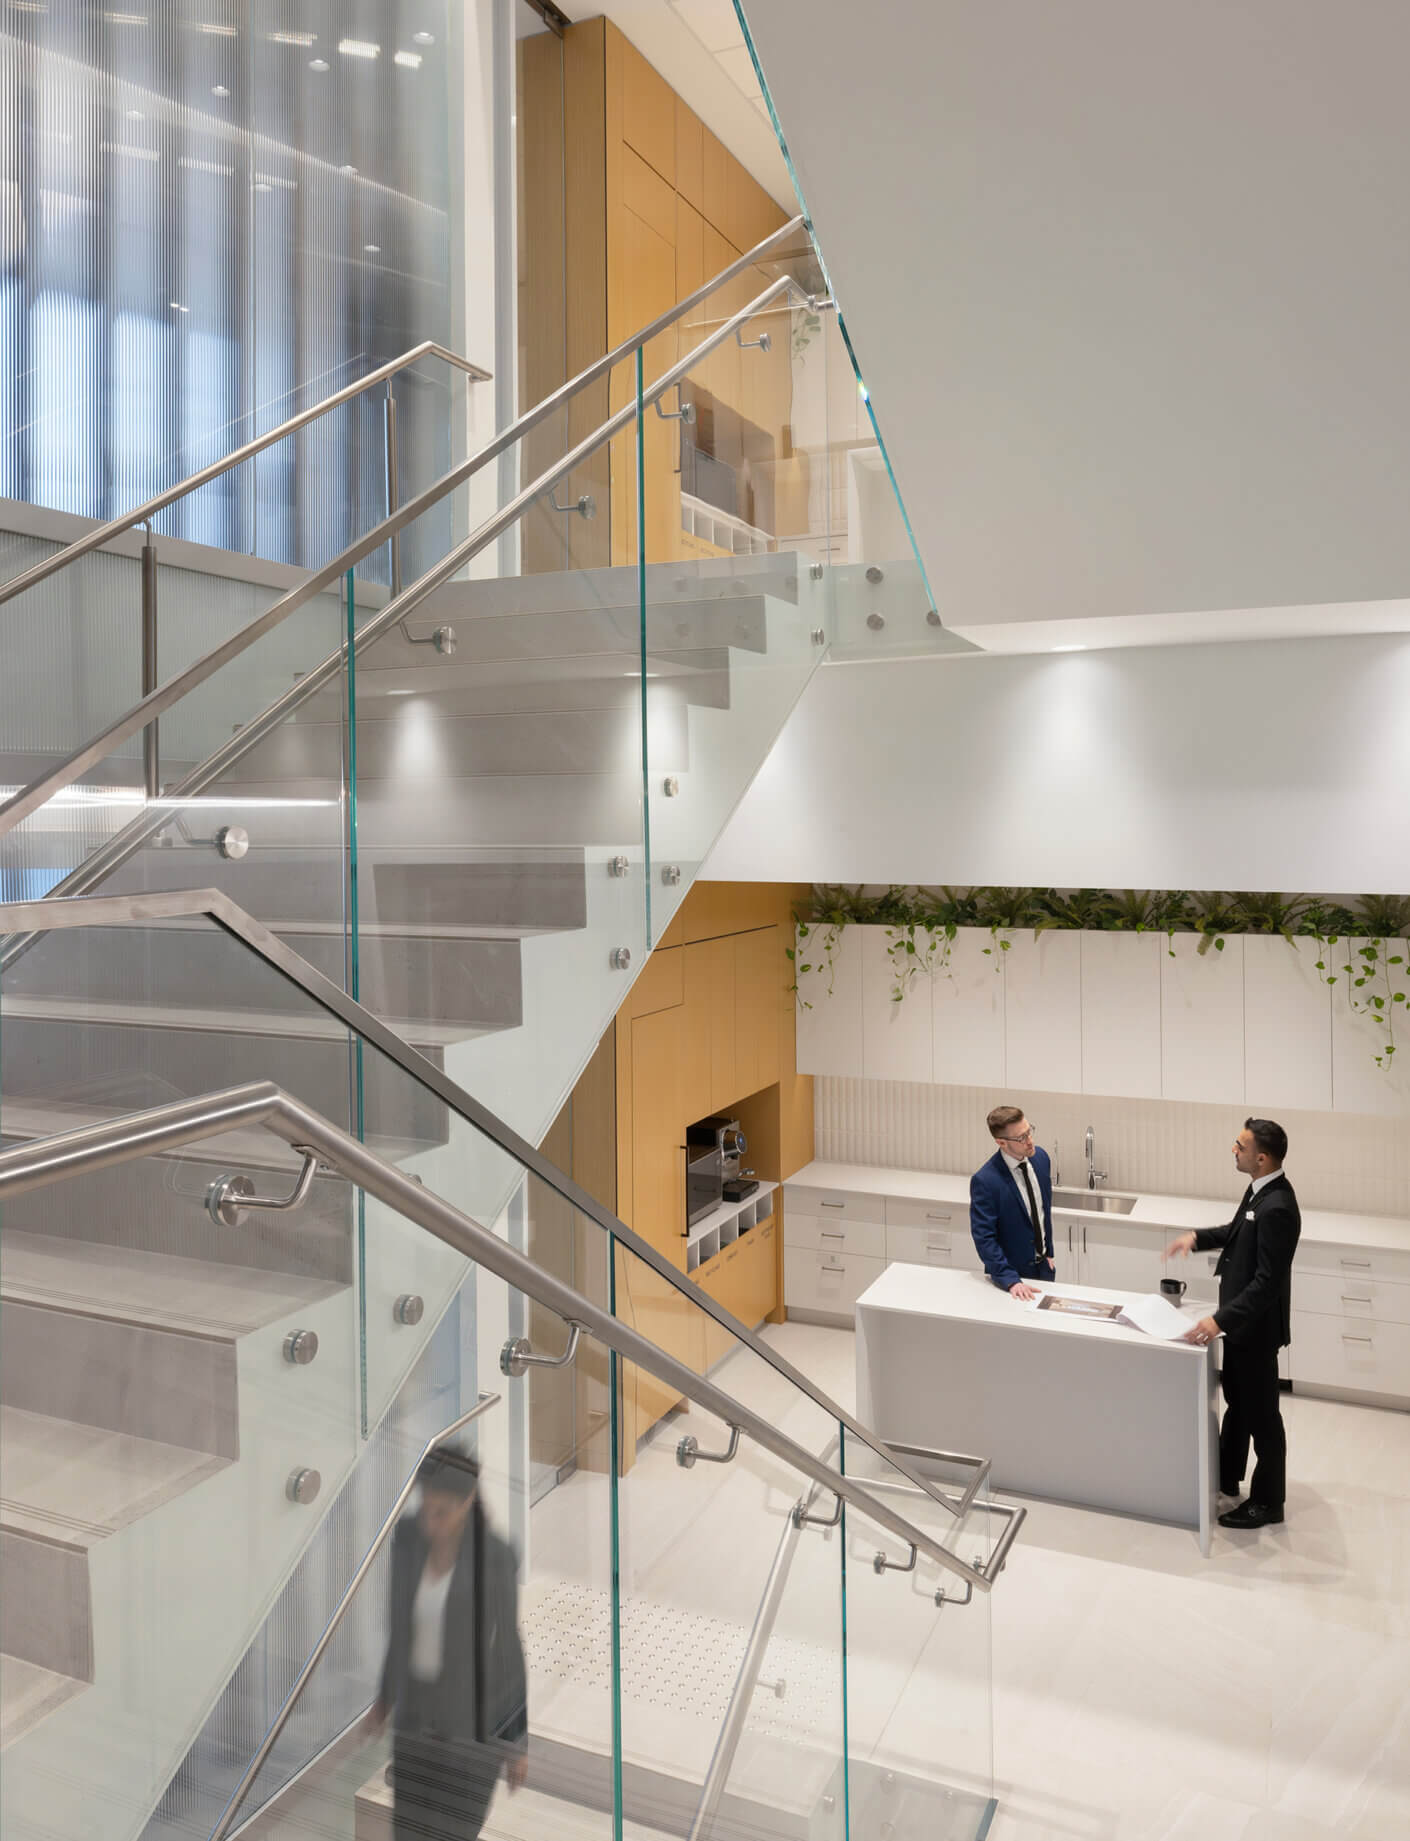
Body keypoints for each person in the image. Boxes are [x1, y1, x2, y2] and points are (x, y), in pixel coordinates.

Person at [369, 1447, 529, 1839]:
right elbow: (401, 1626)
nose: (431, 1522)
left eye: (442, 1512)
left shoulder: (494, 1558)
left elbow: (507, 1647)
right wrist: (385, 1697)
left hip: (471, 1733)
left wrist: (517, 1742)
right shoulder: (408, 1539)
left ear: (467, 1502)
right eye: (426, 1508)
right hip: (415, 1724)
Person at [1166, 1118, 1301, 1531]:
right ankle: (1227, 1477)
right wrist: (1197, 1236)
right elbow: (1236, 1232)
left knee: (1263, 1418)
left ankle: (1267, 1502)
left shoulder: (1278, 1208)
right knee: (1239, 1406)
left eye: (1239, 1146)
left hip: (1255, 1331)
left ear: (1260, 1158)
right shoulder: (1261, 1191)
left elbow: (1265, 1285)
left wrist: (1218, 1320)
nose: (1233, 1150)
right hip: (1242, 1328)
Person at [970, 1105, 1056, 1299]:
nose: (1030, 1141)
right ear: (1001, 1142)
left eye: (1029, 1131)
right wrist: (1011, 1280)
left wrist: (1048, 1251)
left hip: (1044, 1271)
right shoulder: (985, 1181)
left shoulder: (1041, 1158)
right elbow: (984, 1238)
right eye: (1021, 1138)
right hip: (1011, 1280)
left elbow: (1043, 1211)